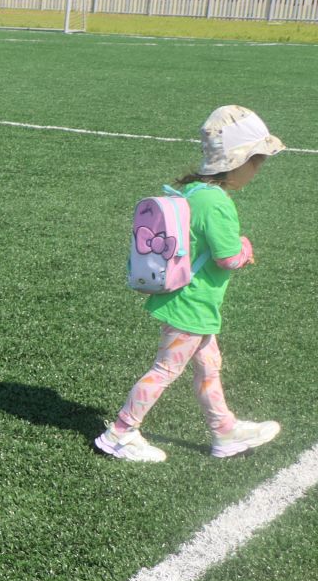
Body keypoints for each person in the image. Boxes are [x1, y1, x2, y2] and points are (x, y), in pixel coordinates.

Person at [96, 105, 284, 464]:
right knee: (165, 369)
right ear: (236, 160)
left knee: (209, 363)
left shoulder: (197, 191)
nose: (257, 170)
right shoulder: (217, 203)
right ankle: (120, 432)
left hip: (189, 299)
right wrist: (246, 248)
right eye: (256, 161)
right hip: (192, 304)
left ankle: (223, 429)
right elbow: (227, 257)